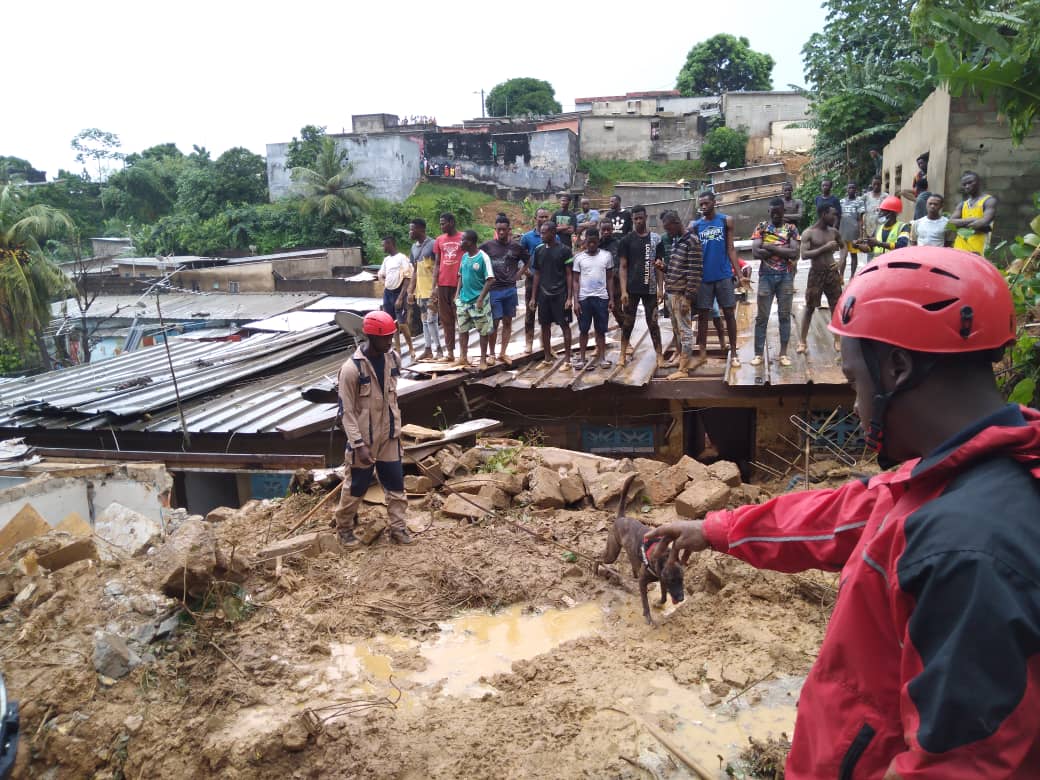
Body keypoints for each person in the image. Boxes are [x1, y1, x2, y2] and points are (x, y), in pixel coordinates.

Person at [646, 247, 1040, 777]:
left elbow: (959, 766)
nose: (855, 405)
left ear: (897, 367)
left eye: (854, 381)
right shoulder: (949, 478)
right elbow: (835, 517)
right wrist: (714, 529)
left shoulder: (969, 553)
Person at [333, 311, 412, 547]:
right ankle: (344, 528)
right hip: (364, 441)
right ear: (371, 337)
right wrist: (358, 445)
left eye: (391, 336)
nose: (390, 341)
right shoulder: (351, 370)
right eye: (385, 337)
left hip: (389, 437)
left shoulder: (393, 359)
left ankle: (398, 528)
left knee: (395, 484)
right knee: (356, 487)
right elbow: (346, 412)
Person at [692, 191, 745, 369]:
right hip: (704, 278)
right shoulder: (696, 226)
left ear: (714, 202)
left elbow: (731, 249)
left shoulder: (725, 221)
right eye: (701, 204)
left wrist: (739, 275)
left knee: (729, 313)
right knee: (703, 316)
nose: (703, 206)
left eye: (706, 203)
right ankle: (702, 353)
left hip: (723, 275)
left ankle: (734, 352)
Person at [750, 198, 800, 367]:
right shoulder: (761, 227)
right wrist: (782, 249)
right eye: (773, 213)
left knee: (784, 316)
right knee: (762, 317)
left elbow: (794, 253)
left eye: (779, 212)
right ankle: (758, 354)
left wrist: (770, 247)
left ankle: (783, 354)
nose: (776, 215)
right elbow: (755, 252)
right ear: (769, 212)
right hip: (766, 276)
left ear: (783, 212)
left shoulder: (791, 228)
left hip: (786, 276)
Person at [616, 205, 665, 368]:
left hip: (650, 289)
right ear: (632, 219)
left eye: (641, 218)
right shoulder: (626, 241)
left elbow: (659, 266)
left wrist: (660, 288)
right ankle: (622, 354)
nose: (638, 221)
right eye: (635, 218)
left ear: (646, 218)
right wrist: (623, 291)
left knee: (653, 323)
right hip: (631, 289)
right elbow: (623, 267)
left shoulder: (656, 239)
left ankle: (659, 355)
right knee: (627, 323)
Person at [480, 214, 529, 366]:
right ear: (495, 230)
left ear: (509, 230)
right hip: (494, 290)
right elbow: (476, 257)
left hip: (510, 290)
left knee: (508, 321)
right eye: (498, 229)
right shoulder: (487, 246)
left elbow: (528, 261)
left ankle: (503, 352)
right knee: (494, 323)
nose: (501, 232)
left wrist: (519, 275)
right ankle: (492, 354)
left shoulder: (516, 247)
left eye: (504, 229)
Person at [659, 211, 702, 380]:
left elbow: (695, 271)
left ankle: (684, 369)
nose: (667, 232)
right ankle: (680, 360)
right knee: (676, 330)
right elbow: (676, 268)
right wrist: (664, 268)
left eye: (668, 228)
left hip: (681, 295)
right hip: (671, 293)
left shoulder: (692, 241)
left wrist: (688, 298)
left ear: (676, 223)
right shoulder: (677, 240)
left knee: (685, 332)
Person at [797, 203, 842, 355]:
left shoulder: (834, 232)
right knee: (809, 307)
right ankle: (802, 341)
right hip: (816, 274)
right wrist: (825, 248)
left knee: (835, 306)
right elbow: (804, 255)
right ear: (824, 214)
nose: (835, 217)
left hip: (832, 273)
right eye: (832, 214)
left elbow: (844, 246)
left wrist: (840, 262)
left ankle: (837, 339)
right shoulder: (808, 233)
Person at [529, 221, 575, 369]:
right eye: (540, 233)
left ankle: (567, 360)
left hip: (560, 294)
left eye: (544, 233)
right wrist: (534, 297)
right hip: (544, 295)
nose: (541, 235)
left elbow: (569, 274)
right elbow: (537, 274)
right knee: (544, 326)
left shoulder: (565, 250)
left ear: (553, 233)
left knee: (564, 325)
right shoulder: (539, 250)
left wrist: (569, 297)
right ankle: (547, 358)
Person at [571, 228, 614, 370]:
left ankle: (602, 358)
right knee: (583, 330)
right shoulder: (579, 258)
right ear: (585, 241)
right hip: (584, 298)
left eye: (594, 242)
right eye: (589, 242)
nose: (591, 244)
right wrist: (576, 301)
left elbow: (609, 278)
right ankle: (582, 359)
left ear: (598, 241)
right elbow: (575, 281)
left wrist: (611, 299)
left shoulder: (606, 256)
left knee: (601, 330)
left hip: (601, 298)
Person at [454, 230, 495, 370]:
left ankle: (483, 359)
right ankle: (463, 357)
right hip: (463, 300)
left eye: (463, 240)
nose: (460, 243)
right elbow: (460, 276)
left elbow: (490, 279)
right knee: (462, 329)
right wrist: (457, 295)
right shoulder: (464, 257)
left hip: (478, 301)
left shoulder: (483, 258)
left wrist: (481, 298)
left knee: (483, 331)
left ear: (470, 242)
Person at [407, 218, 443, 362]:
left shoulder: (433, 244)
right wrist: (411, 290)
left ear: (421, 229)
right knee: (425, 322)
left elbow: (440, 267)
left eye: (412, 229)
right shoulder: (413, 248)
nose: (410, 232)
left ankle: (439, 350)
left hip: (432, 290)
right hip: (420, 292)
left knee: (432, 320)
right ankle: (428, 350)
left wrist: (437, 288)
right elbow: (415, 270)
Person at [519, 207, 553, 354]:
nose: (544, 219)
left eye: (546, 217)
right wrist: (525, 271)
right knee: (530, 310)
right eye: (541, 217)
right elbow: (519, 255)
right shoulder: (527, 237)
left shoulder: (554, 236)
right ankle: (529, 342)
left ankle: (544, 341)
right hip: (532, 279)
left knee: (547, 312)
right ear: (535, 218)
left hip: (548, 280)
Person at [377, 236, 414, 359]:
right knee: (391, 324)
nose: (382, 247)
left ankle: (411, 348)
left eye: (384, 245)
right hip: (388, 293)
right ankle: (398, 349)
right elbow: (380, 274)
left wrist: (401, 297)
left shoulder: (402, 258)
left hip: (399, 293)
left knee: (402, 323)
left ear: (390, 244)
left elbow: (407, 278)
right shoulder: (386, 260)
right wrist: (385, 283)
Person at [432, 212, 463, 364]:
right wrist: (434, 286)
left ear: (451, 222)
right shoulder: (439, 240)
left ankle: (463, 354)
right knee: (446, 320)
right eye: (440, 223)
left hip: (459, 284)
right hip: (443, 284)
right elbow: (437, 263)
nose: (441, 226)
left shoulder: (463, 238)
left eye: (443, 223)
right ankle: (450, 352)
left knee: (461, 319)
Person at [950, 170, 997, 256]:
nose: (967, 186)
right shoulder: (962, 204)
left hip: (979, 246)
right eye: (964, 184)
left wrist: (960, 225)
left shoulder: (989, 201)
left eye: (970, 182)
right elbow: (951, 222)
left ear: (978, 182)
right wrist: (973, 219)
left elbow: (983, 223)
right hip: (960, 246)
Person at [598, 219, 625, 331]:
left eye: (608, 229)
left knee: (617, 310)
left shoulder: (619, 244)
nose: (606, 232)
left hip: (616, 284)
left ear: (612, 230)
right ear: (600, 230)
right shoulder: (597, 244)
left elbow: (623, 264)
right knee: (600, 313)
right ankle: (601, 337)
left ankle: (626, 332)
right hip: (599, 285)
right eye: (603, 229)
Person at [838, 181, 865, 280]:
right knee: (843, 255)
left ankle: (852, 276)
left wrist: (861, 235)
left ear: (856, 190)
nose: (851, 190)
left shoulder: (859, 201)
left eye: (853, 188)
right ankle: (841, 276)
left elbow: (861, 219)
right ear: (847, 189)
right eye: (849, 188)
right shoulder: (841, 201)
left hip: (854, 232)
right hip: (843, 232)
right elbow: (837, 217)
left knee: (853, 255)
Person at [862, 175, 889, 241]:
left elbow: (889, 213)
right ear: (871, 184)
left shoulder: (886, 197)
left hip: (881, 227)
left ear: (881, 184)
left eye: (878, 184)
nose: (876, 186)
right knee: (868, 245)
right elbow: (862, 213)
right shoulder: (866, 197)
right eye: (874, 184)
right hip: (868, 228)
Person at [911, 153, 931, 220]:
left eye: (921, 163)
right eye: (919, 164)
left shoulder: (930, 171)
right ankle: (916, 200)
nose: (920, 165)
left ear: (927, 162)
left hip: (924, 194)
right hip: (918, 193)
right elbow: (914, 186)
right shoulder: (918, 175)